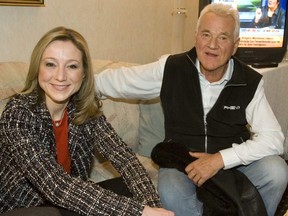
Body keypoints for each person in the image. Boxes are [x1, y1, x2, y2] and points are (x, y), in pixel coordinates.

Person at [94, 3, 288, 216]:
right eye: (206, 34)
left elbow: (273, 140)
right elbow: (120, 81)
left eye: (223, 37)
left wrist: (219, 159)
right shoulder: (171, 68)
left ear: (235, 45)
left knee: (277, 172)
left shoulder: (249, 80)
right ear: (196, 37)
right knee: (170, 188)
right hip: (182, 163)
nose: (212, 45)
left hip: (232, 163)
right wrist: (75, 81)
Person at [0, 26, 175, 216]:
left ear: (83, 74)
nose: (60, 76)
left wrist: (153, 206)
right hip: (23, 208)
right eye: (50, 64)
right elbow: (56, 186)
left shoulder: (84, 107)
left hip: (68, 201)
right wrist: (141, 212)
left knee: (131, 187)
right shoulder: (18, 113)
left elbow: (124, 158)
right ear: (37, 69)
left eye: (72, 66)